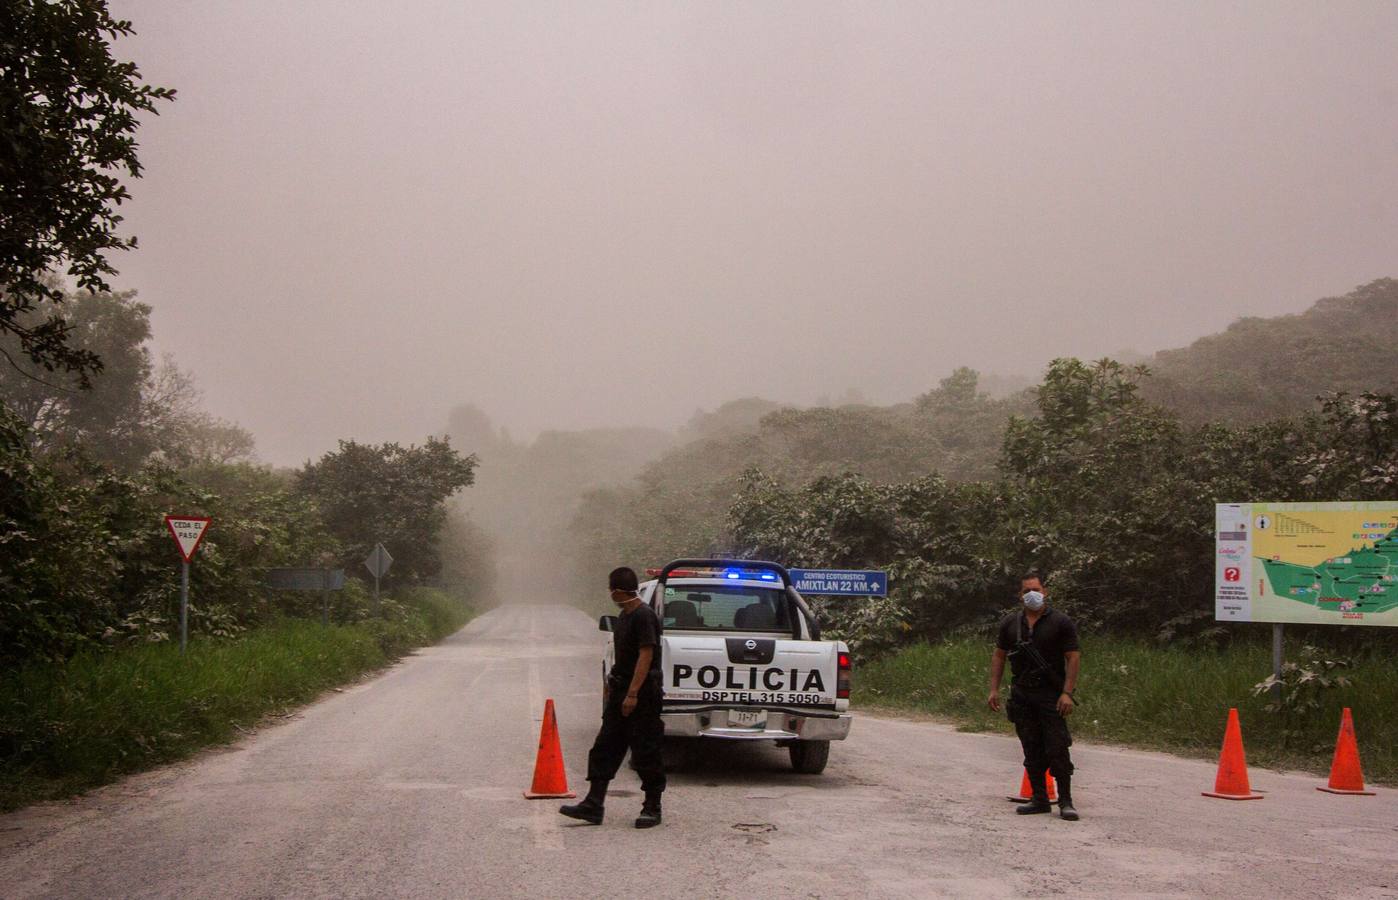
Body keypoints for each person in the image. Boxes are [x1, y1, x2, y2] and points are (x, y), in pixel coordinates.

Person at [560, 566, 666, 828]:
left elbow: (646, 654)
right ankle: (593, 804)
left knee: (645, 752)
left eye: (611, 590)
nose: (610, 594)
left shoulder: (644, 616)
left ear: (618, 591)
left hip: (641, 696)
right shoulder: (625, 616)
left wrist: (632, 694)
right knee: (604, 747)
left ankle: (652, 807)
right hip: (620, 692)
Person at [988, 572, 1081, 821]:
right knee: (1031, 747)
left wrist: (1067, 693)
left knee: (1058, 747)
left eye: (1037, 589)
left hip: (1051, 694)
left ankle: (1065, 801)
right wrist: (994, 689)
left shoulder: (1061, 622)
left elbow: (1073, 658)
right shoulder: (1011, 623)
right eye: (1027, 590)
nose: (1033, 594)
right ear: (1020, 595)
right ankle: (1039, 798)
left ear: (1045, 592)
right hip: (1022, 694)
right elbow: (999, 656)